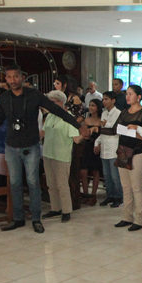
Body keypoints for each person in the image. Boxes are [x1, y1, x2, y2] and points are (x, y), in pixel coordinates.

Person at [0, 64, 80, 234]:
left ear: (22, 77)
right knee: (15, 183)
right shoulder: (5, 98)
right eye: (9, 77)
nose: (12, 80)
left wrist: (78, 125)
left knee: (33, 183)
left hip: (31, 146)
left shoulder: (34, 95)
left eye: (15, 76)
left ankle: (36, 219)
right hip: (12, 146)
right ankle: (18, 218)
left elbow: (57, 110)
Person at [114, 84, 142, 231]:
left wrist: (136, 133)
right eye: (127, 94)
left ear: (139, 97)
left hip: (138, 152)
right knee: (126, 186)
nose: (127, 96)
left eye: (131, 94)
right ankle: (126, 216)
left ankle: (139, 219)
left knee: (136, 186)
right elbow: (116, 128)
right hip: (123, 150)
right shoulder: (124, 112)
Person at [41, 90, 82, 222]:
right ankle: (55, 208)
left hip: (61, 155)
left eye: (52, 102)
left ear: (60, 102)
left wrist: (86, 133)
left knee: (62, 184)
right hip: (48, 153)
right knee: (51, 183)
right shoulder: (50, 116)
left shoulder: (68, 117)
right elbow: (43, 133)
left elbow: (76, 139)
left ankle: (66, 210)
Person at [95, 92, 123, 206]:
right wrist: (97, 143)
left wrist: (103, 125)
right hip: (104, 147)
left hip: (113, 147)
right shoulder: (104, 113)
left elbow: (114, 130)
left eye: (106, 99)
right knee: (106, 175)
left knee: (115, 175)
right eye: (103, 99)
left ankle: (118, 197)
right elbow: (102, 131)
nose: (104, 101)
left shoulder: (118, 113)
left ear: (113, 100)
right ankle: (110, 195)